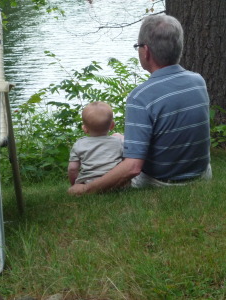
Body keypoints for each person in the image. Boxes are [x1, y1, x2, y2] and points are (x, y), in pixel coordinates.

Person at [68, 14, 211, 195]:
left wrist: (87, 189)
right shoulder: (198, 81)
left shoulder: (140, 97)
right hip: (201, 175)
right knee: (119, 138)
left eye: (138, 47)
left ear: (146, 51)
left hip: (163, 183)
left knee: (119, 154)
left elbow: (133, 168)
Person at [68, 101, 123, 185]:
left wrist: (74, 185)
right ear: (112, 125)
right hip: (115, 182)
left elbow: (72, 169)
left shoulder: (79, 144)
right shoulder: (118, 142)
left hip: (89, 183)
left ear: (85, 128)